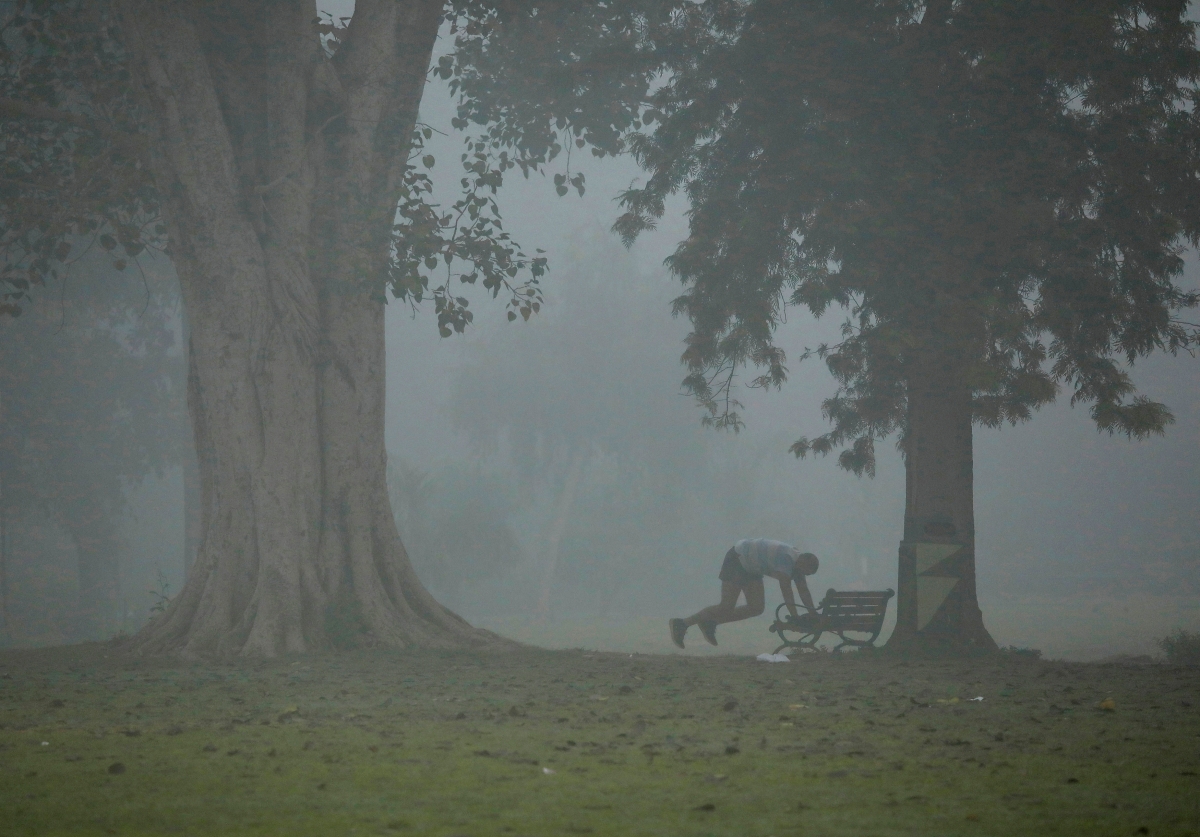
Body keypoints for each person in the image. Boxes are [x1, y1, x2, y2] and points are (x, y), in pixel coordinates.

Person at [669, 539, 819, 648]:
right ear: (802, 563)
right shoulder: (786, 559)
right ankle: (682, 624)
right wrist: (794, 616)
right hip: (738, 558)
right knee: (726, 606)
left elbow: (803, 591)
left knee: (757, 607)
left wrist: (813, 613)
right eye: (805, 572)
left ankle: (710, 623)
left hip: (752, 567)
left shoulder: (798, 562)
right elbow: (786, 589)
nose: (803, 575)